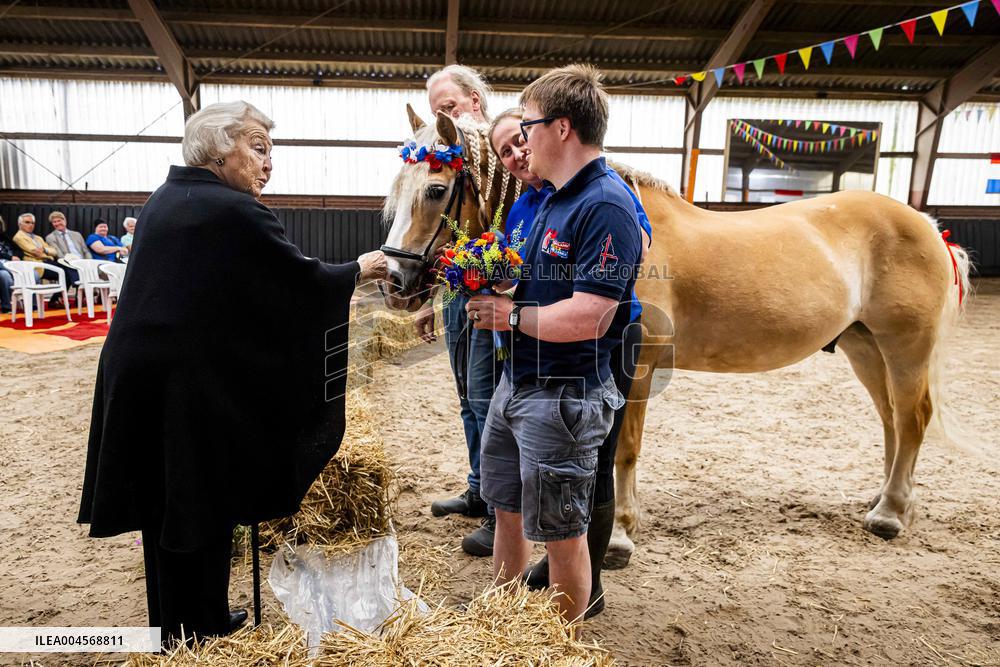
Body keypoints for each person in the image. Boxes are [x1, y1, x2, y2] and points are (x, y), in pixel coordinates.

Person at [77, 100, 387, 647]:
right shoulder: (231, 210)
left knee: (168, 502)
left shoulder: (168, 199)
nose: (268, 164)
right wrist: (358, 269)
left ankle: (182, 622)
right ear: (219, 150)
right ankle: (196, 630)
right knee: (197, 496)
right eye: (258, 148)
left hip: (144, 377)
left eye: (271, 151)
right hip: (183, 386)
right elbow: (299, 284)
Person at [468, 64, 642, 624]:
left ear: (561, 128)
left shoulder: (605, 205)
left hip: (563, 395)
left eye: (530, 126)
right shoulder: (547, 199)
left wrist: (508, 314)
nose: (523, 141)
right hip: (516, 384)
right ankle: (502, 625)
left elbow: (592, 316)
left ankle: (560, 643)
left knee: (565, 535)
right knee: (507, 511)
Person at [419, 64, 501, 557]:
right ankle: (478, 487)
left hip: (491, 292)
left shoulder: (498, 155)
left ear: (475, 101)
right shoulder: (446, 162)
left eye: (449, 108)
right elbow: (441, 229)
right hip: (455, 289)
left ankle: (497, 507)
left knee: (487, 397)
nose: (443, 119)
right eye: (436, 112)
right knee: (468, 399)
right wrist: (432, 296)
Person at [13, 213, 64, 305]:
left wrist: (44, 250)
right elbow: (34, 251)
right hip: (36, 266)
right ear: (20, 224)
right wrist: (48, 254)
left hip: (46, 263)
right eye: (27, 222)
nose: (31, 225)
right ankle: (55, 299)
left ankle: (55, 299)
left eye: (32, 223)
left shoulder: (38, 238)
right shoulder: (18, 237)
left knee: (68, 270)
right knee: (65, 272)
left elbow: (55, 251)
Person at [0, 215, 20, 314]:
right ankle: (6, 307)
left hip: (10, 264)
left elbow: (18, 249)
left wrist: (16, 256)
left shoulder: (5, 237)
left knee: (34, 274)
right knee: (4, 274)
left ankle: (33, 306)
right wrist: (10, 258)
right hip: (3, 266)